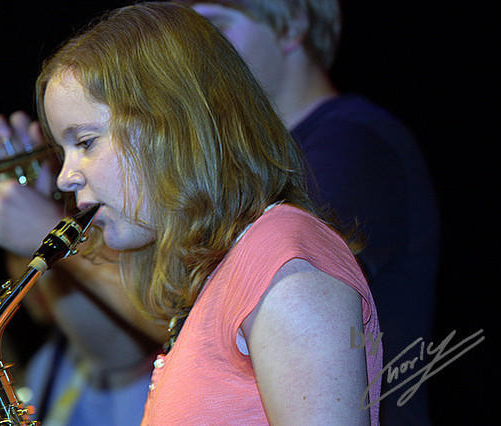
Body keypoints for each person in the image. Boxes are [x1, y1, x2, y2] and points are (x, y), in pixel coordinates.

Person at [31, 2, 382, 424]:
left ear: (171, 125)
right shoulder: (224, 272)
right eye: (62, 152)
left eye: (85, 142)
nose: (66, 178)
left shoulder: (283, 262)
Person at [179, 1, 440, 424]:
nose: (194, 58)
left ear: (292, 24)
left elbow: (219, 301)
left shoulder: (352, 142)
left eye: (214, 29)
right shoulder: (262, 166)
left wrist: (50, 231)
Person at [0, 112, 164, 425]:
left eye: (86, 143)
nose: (65, 178)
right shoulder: (46, 365)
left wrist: (47, 230)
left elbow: (134, 346)